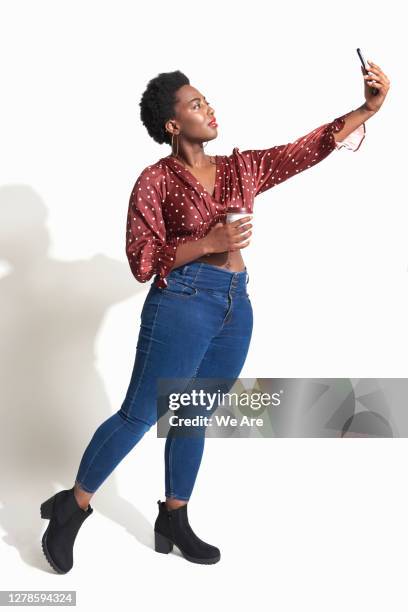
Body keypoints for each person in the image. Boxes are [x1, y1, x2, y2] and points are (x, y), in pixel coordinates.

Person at [40, 62, 390, 573]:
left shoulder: (240, 168)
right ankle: (72, 507)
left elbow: (302, 151)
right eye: (196, 104)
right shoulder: (154, 181)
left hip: (235, 304)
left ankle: (173, 518)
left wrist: (367, 108)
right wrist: (209, 243)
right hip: (180, 302)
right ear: (173, 125)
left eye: (207, 100)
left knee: (193, 415)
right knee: (139, 415)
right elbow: (141, 259)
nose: (209, 108)